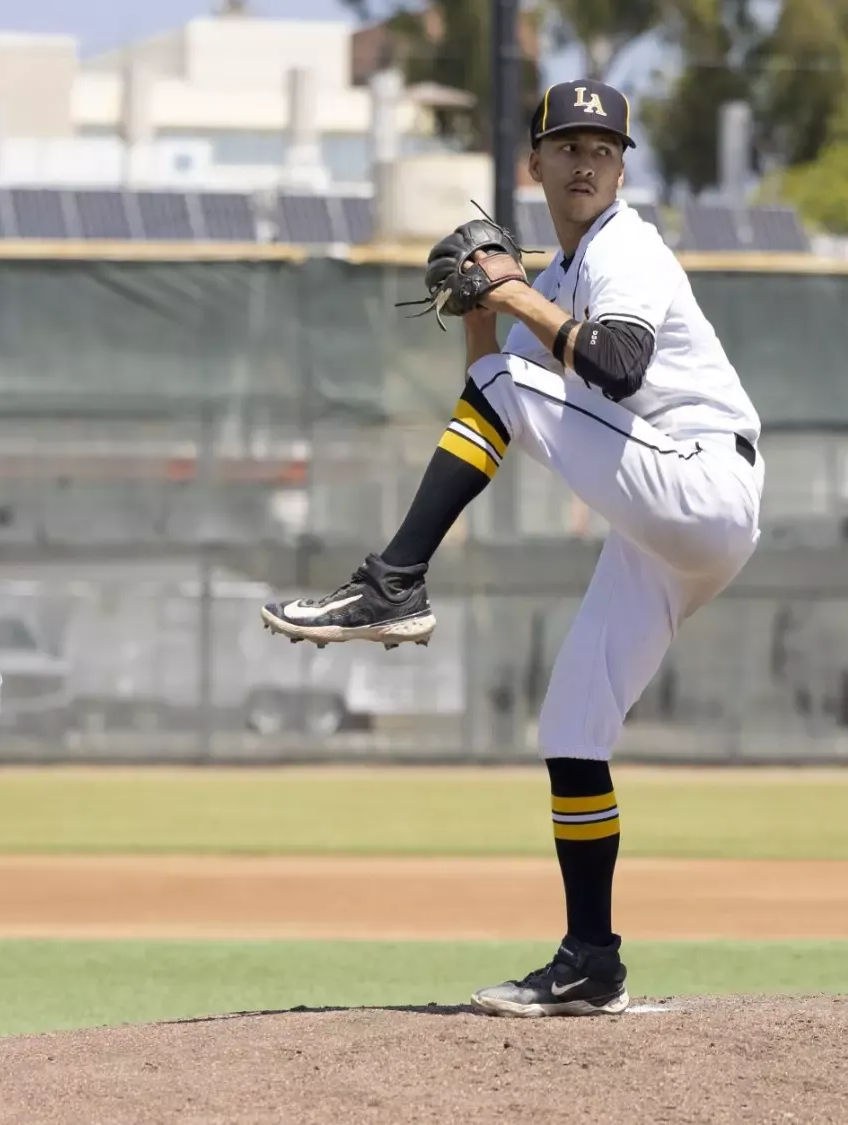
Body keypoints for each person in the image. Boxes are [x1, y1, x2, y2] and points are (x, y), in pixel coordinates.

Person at [261, 78, 764, 1015]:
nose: (584, 161)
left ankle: (393, 582)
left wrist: (512, 292)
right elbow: (495, 391)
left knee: (506, 383)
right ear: (532, 165)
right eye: (567, 146)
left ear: (620, 169)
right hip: (667, 525)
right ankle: (591, 960)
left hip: (702, 482)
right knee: (571, 729)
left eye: (602, 149)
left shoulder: (628, 249)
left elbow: (617, 367)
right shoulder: (563, 277)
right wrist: (486, 312)